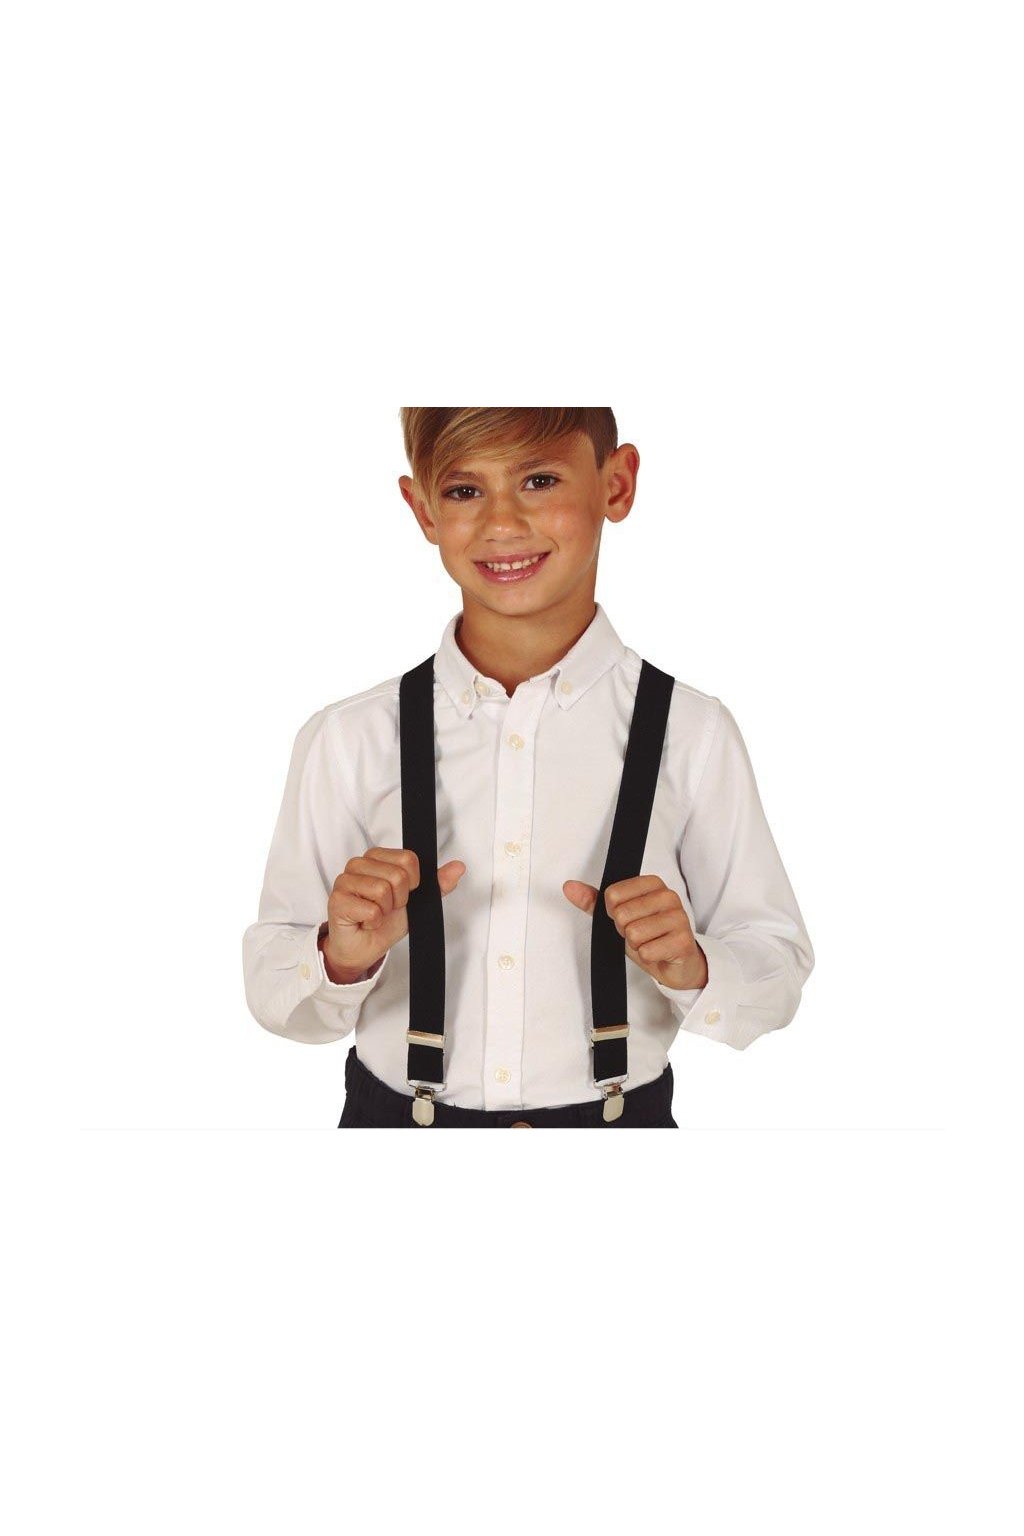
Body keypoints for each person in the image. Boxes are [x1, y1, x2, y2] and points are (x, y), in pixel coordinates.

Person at [241, 407, 814, 1127]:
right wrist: (340, 957)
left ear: (617, 484)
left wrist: (694, 966)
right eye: (464, 490)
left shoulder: (691, 733)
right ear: (422, 509)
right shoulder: (349, 737)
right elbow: (271, 980)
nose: (503, 523)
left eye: (539, 480)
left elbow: (775, 958)